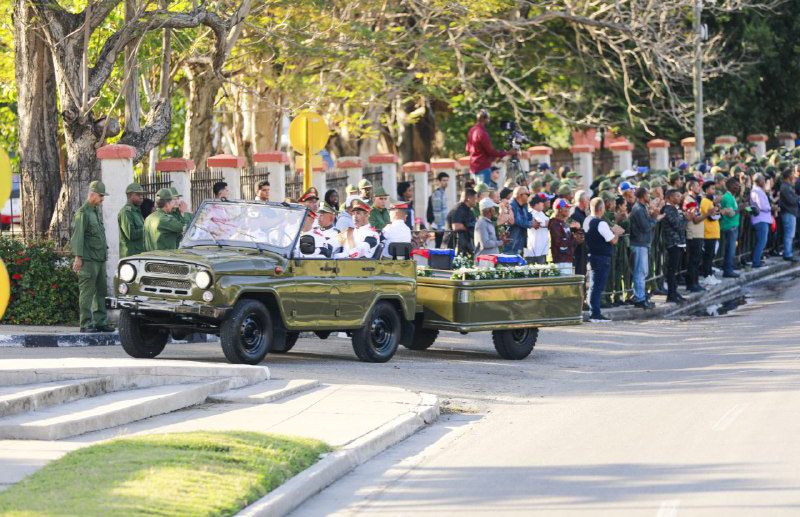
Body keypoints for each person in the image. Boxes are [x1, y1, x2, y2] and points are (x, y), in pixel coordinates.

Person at [71, 180, 112, 333]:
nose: (102, 199)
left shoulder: (95, 212)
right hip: (88, 260)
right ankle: (86, 323)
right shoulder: (83, 213)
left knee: (101, 291)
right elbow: (78, 236)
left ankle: (100, 322)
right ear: (92, 194)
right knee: (87, 292)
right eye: (101, 196)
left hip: (99, 259)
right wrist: (78, 257)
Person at [584, 197, 622, 322]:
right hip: (601, 257)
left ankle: (594, 311)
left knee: (594, 284)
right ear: (601, 209)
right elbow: (613, 240)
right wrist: (616, 232)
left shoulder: (587, 220)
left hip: (592, 255)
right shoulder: (601, 223)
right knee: (597, 285)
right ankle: (595, 313)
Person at [629, 187, 664, 309]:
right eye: (648, 194)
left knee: (643, 272)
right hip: (639, 244)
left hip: (643, 244)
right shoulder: (638, 209)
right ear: (643, 196)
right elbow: (645, 226)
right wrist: (654, 218)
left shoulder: (642, 207)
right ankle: (639, 299)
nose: (649, 196)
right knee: (640, 272)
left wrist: (653, 217)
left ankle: (641, 297)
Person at [465, 109, 514, 185]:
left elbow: (468, 149)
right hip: (483, 167)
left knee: (478, 191)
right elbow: (490, 151)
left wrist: (493, 158)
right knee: (484, 192)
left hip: (474, 167)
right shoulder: (482, 133)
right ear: (485, 119)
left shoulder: (472, 130)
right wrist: (508, 152)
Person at [662, 189, 687, 303]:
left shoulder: (674, 209)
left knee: (675, 269)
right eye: (677, 196)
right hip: (673, 243)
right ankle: (671, 295)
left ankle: (674, 292)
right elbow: (678, 225)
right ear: (670, 198)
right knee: (671, 270)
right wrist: (686, 219)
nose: (679, 198)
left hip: (679, 242)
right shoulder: (668, 210)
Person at [683, 179, 708, 292]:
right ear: (691, 188)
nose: (700, 188)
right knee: (693, 260)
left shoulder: (695, 200)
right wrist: (708, 213)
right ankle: (691, 285)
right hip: (693, 234)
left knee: (697, 260)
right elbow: (696, 220)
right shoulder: (690, 201)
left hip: (698, 234)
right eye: (697, 186)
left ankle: (696, 283)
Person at [549, 198, 583, 276]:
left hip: (567, 259)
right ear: (560, 210)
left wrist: (577, 237)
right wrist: (574, 239)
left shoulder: (564, 223)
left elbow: (571, 240)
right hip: (560, 261)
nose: (568, 210)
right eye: (566, 208)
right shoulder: (554, 223)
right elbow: (559, 242)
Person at [719, 178, 744, 277]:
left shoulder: (731, 196)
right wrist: (740, 208)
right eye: (736, 185)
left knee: (730, 249)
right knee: (730, 249)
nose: (738, 187)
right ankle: (728, 271)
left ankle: (729, 269)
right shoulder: (728, 197)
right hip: (729, 226)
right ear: (730, 186)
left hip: (732, 225)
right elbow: (731, 214)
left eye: (738, 185)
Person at [750, 173, 773, 268]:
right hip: (760, 220)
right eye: (763, 180)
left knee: (761, 241)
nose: (764, 182)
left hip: (761, 219)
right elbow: (762, 206)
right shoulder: (757, 191)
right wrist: (771, 208)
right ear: (759, 181)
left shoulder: (757, 190)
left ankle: (757, 260)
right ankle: (756, 262)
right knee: (761, 241)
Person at [700, 180, 721, 283]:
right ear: (707, 190)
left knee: (711, 255)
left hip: (714, 232)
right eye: (712, 189)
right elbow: (711, 217)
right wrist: (716, 209)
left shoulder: (711, 202)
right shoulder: (705, 201)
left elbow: (718, 214)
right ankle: (706, 275)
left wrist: (717, 207)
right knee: (708, 256)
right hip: (708, 232)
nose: (714, 191)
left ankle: (710, 274)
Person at [118, 182, 145, 258]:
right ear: (129, 196)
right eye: (138, 194)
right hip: (130, 255)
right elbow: (131, 234)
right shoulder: (126, 212)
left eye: (142, 195)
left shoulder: (136, 211)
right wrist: (147, 229)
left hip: (139, 254)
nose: (141, 197)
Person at [446, 189, 477, 255]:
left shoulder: (469, 211)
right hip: (455, 245)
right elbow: (456, 226)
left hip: (466, 244)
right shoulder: (458, 209)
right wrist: (469, 227)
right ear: (468, 198)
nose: (476, 201)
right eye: (474, 198)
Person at [778, 168, 799, 261]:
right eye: (792, 175)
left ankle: (789, 252)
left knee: (790, 234)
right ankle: (787, 253)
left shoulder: (788, 186)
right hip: (788, 213)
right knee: (789, 234)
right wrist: (798, 198)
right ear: (788, 176)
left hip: (791, 213)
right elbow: (791, 200)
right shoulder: (785, 187)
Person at [505, 186, 532, 254]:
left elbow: (527, 217)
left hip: (521, 242)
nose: (529, 197)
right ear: (520, 195)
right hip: (511, 243)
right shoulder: (510, 205)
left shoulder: (524, 205)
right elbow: (515, 221)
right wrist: (530, 224)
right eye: (527, 194)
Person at [525, 193, 549, 264]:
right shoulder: (530, 213)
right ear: (536, 204)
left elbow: (547, 221)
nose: (543, 204)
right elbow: (542, 223)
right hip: (533, 250)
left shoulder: (541, 213)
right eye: (541, 203)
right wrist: (547, 222)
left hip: (542, 249)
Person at [571, 190, 590, 276]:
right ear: (583, 201)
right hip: (577, 249)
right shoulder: (574, 213)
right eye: (588, 200)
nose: (589, 202)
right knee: (579, 274)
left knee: (583, 272)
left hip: (583, 249)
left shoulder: (583, 212)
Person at [430, 172, 450, 247]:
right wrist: (439, 227)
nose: (446, 182)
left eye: (447, 180)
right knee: (438, 246)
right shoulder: (437, 193)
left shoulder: (443, 192)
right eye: (444, 180)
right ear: (439, 181)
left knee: (441, 246)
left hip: (443, 225)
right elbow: (437, 211)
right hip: (439, 226)